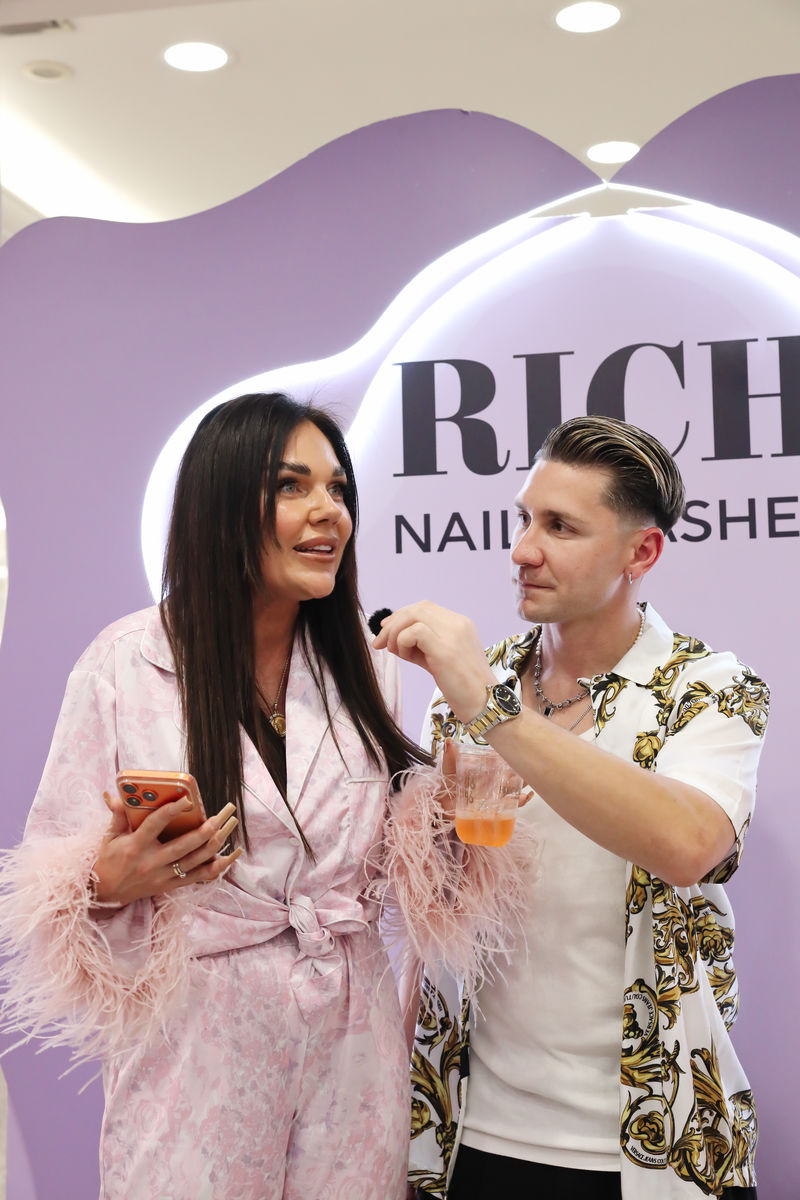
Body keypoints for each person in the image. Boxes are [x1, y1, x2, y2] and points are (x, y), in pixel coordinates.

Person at [0, 392, 432, 1200]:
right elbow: (53, 878)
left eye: (338, 489)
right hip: (196, 1046)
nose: (329, 512)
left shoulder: (367, 665)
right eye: (292, 486)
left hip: (351, 1042)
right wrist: (108, 882)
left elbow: (391, 857)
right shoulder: (124, 663)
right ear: (222, 504)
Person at [375, 416, 769, 1200]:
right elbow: (440, 917)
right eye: (525, 519)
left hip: (655, 1146)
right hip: (472, 1138)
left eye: (560, 527)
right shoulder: (468, 691)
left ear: (641, 553)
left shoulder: (708, 690)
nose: (523, 550)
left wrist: (492, 710)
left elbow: (686, 845)